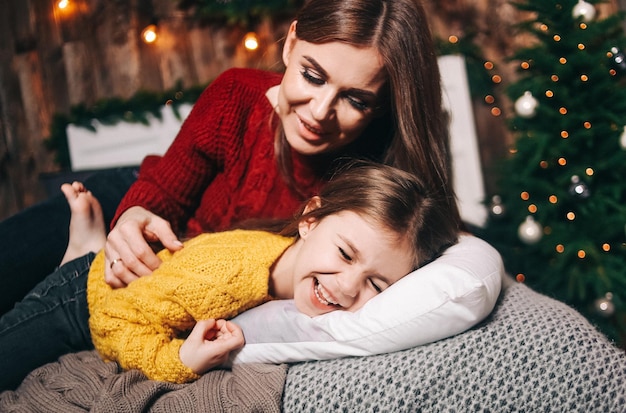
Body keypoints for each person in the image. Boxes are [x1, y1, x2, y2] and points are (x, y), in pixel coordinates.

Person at [0, 0, 464, 316]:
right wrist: (134, 215)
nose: (320, 113)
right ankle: (86, 246)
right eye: (312, 76)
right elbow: (163, 190)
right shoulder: (235, 96)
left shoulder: (375, 182)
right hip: (138, 188)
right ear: (290, 43)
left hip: (196, 264)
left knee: (67, 300)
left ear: (382, 107)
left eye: (357, 101)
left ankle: (82, 257)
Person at [0, 162, 459, 390]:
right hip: (87, 297)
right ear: (310, 219)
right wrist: (179, 361)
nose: (346, 286)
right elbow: (113, 323)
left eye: (377, 285)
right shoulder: (222, 280)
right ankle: (80, 254)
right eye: (344, 253)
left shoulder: (291, 271)